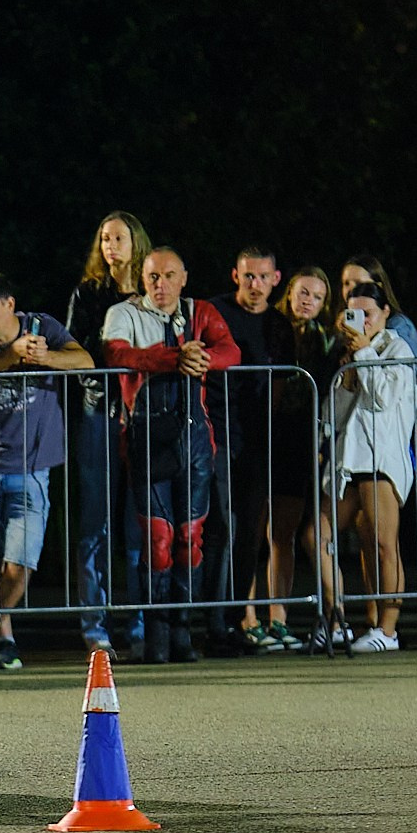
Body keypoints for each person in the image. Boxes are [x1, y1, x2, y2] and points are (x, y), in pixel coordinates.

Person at [101, 248, 241, 664]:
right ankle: (156, 638)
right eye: (151, 276)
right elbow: (117, 355)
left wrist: (203, 359)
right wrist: (172, 360)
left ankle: (183, 633)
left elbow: (231, 351)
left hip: (196, 440)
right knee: (157, 541)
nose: (159, 284)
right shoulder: (123, 313)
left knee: (189, 539)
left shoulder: (200, 312)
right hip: (147, 439)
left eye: (168, 276)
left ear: (184, 278)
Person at [66, 210, 150, 658]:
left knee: (139, 523)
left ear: (136, 243)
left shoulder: (154, 291)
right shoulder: (89, 292)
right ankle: (94, 625)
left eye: (118, 238)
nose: (110, 246)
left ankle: (137, 622)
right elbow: (74, 345)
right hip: (99, 407)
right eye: (104, 239)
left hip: (143, 413)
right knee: (94, 523)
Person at [316, 280, 417, 654]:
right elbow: (338, 413)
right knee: (319, 534)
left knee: (382, 542)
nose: (361, 321)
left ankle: (387, 630)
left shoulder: (398, 348)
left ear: (385, 313)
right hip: (349, 460)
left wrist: (363, 355)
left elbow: (383, 400)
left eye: (368, 314)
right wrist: (348, 370)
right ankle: (338, 616)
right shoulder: (349, 349)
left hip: (382, 459)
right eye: (353, 313)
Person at [206, 244, 291, 656]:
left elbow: (280, 385)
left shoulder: (280, 324)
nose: (255, 285)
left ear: (276, 280)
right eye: (248, 276)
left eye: (263, 277)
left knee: (250, 535)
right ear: (235, 276)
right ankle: (212, 621)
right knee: (219, 527)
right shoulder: (214, 312)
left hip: (258, 439)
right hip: (218, 434)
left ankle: (239, 619)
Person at [257, 268, 341, 653]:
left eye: (317, 296)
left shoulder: (325, 340)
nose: (308, 300)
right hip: (261, 435)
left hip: (297, 440)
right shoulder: (269, 326)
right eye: (302, 292)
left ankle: (278, 619)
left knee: (283, 535)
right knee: (252, 533)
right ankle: (245, 618)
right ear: (288, 292)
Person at [341, 255, 417, 358]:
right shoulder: (342, 323)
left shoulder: (399, 326)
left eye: (359, 283)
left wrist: (364, 350)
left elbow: (403, 367)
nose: (351, 289)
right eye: (346, 283)